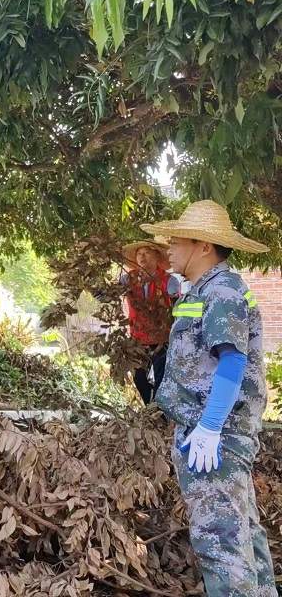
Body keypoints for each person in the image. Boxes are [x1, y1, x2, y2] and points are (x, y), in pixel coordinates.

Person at [140, 200, 277, 597]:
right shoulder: (205, 290)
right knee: (243, 538)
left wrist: (211, 427)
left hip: (216, 439)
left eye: (176, 238)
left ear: (203, 245)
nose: (168, 245)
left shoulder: (222, 290)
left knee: (222, 546)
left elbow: (232, 362)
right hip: (213, 435)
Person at [120, 240, 181, 404]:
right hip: (137, 339)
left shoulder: (170, 281)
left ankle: (160, 414)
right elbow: (107, 295)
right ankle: (150, 408)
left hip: (163, 340)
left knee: (162, 378)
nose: (142, 257)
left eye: (146, 253)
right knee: (139, 378)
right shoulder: (128, 279)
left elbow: (178, 310)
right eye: (139, 254)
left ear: (156, 256)